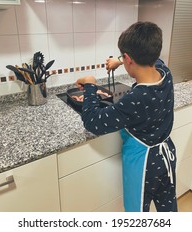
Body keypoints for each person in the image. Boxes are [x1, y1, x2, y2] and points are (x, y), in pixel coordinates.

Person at [76, 21, 177, 212]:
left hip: (144, 164)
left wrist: (90, 85)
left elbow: (93, 121)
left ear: (129, 58)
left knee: (135, 214)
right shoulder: (165, 72)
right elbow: (156, 60)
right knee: (168, 208)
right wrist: (120, 60)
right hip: (167, 156)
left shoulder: (135, 98)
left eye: (124, 57)